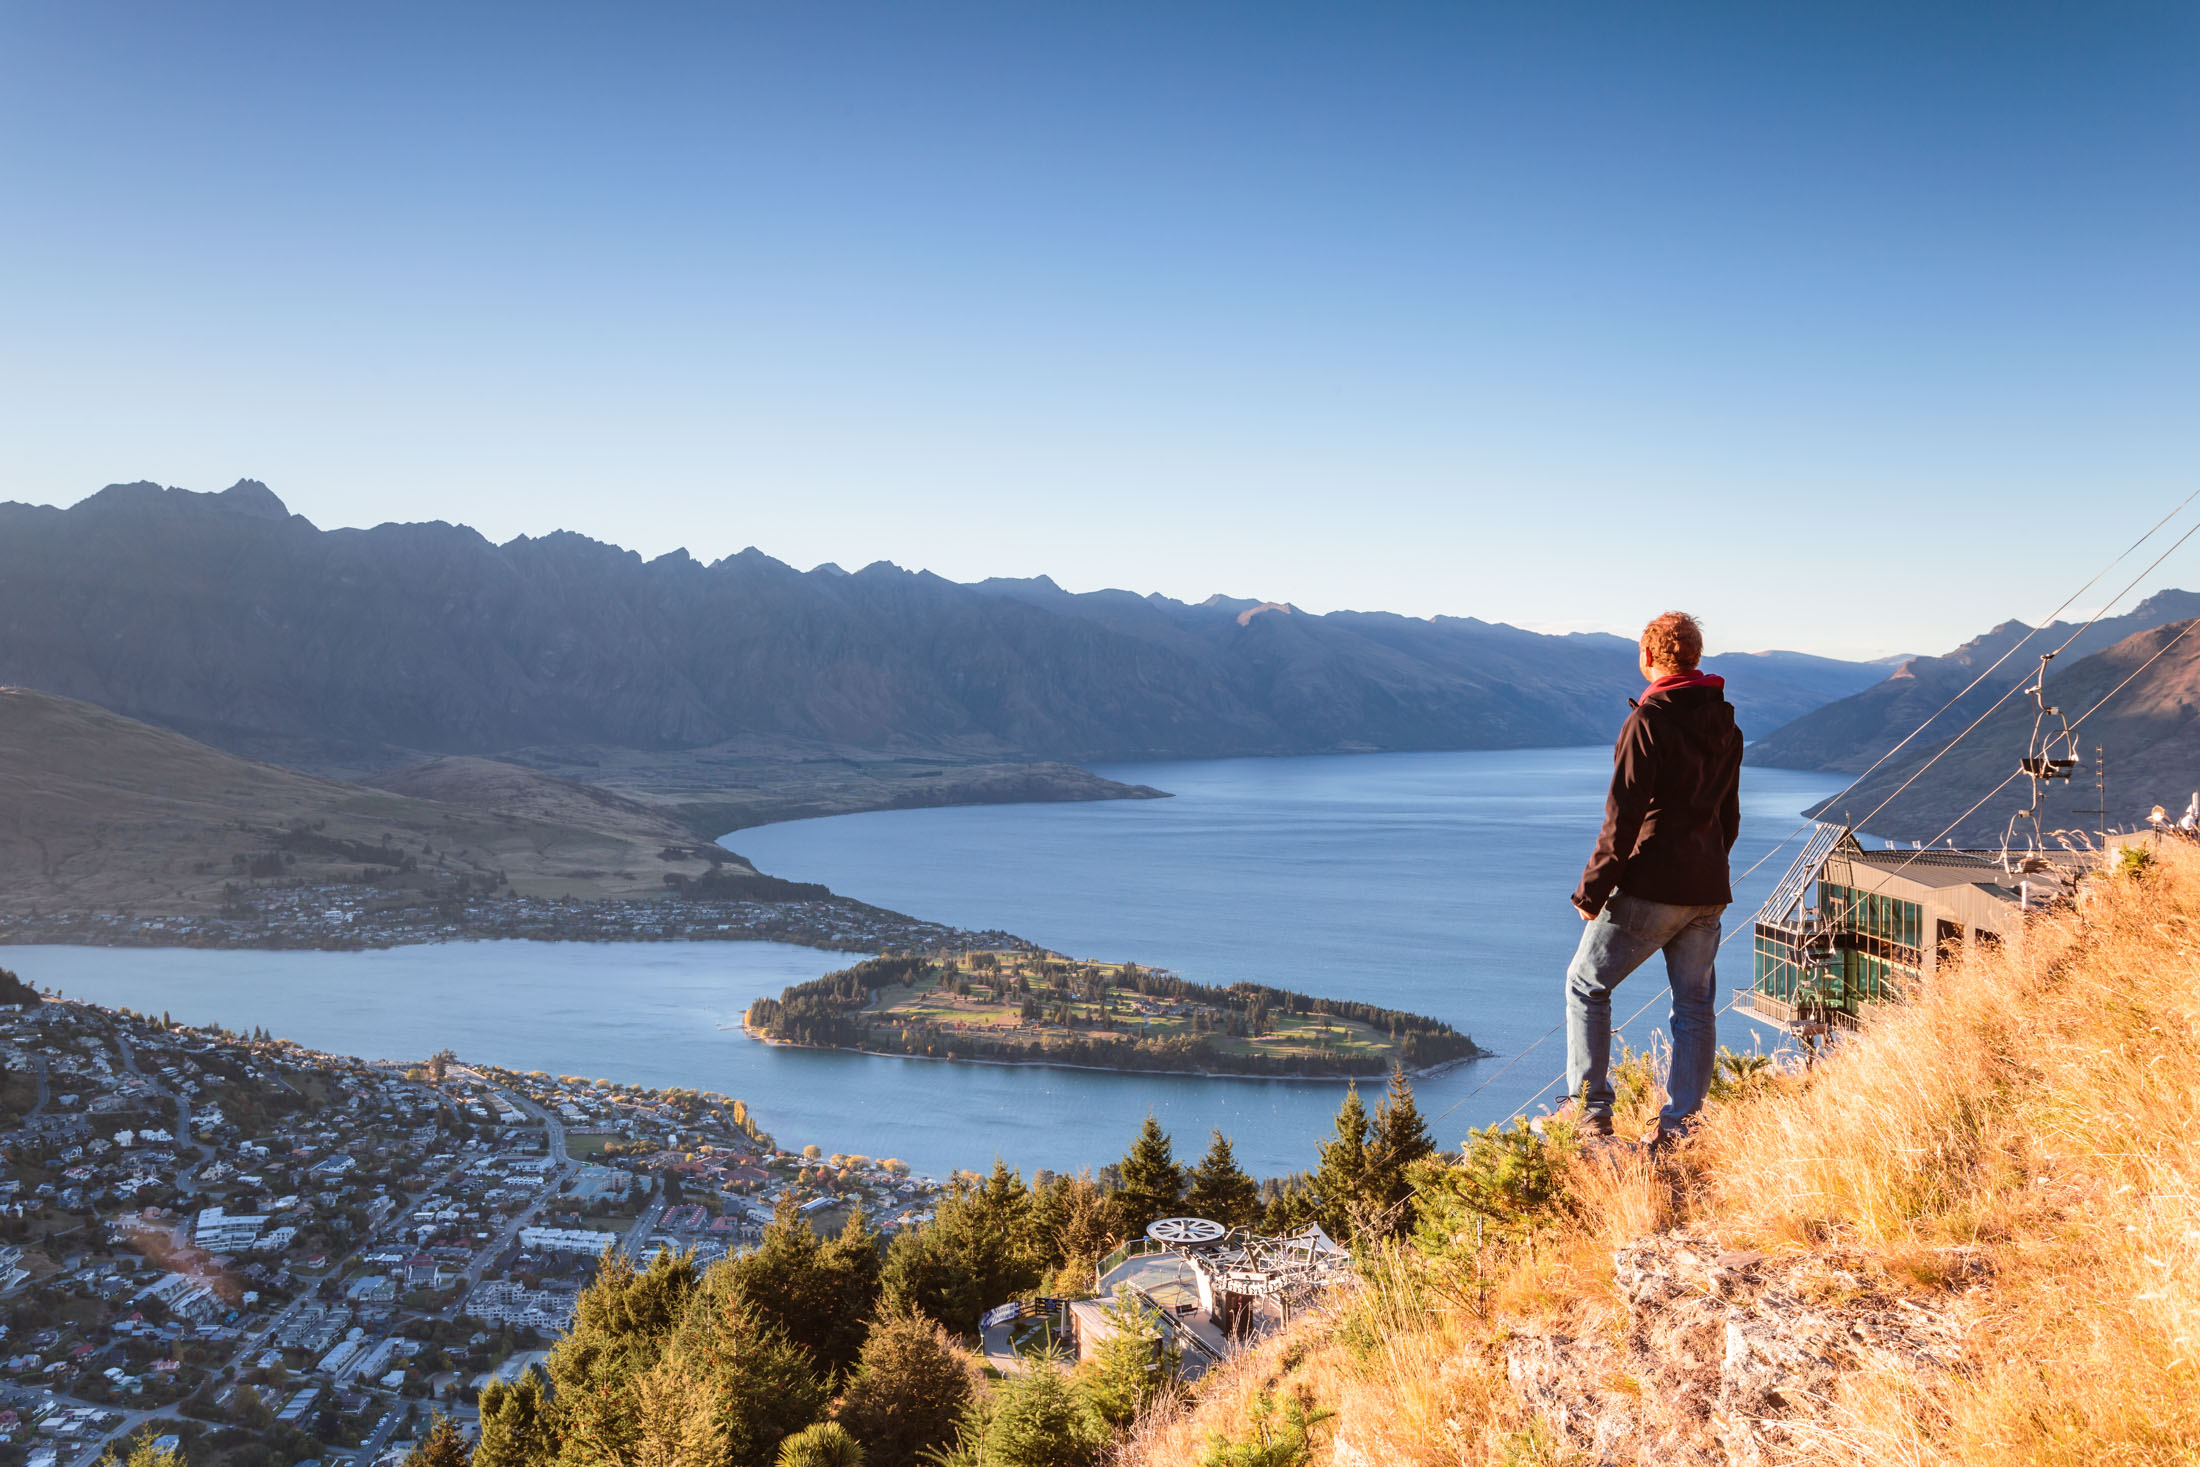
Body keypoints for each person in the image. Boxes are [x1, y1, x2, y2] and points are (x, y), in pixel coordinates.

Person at [1543, 611, 1743, 1146]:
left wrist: (1592, 891)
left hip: (1653, 885)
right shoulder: (1726, 722)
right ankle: (1683, 1127)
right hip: (1708, 890)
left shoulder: (1648, 721)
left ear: (1648, 658)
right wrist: (1708, 868)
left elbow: (1622, 817)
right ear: (1696, 659)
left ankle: (1589, 1114)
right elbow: (1730, 818)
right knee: (1695, 1007)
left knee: (1586, 984)